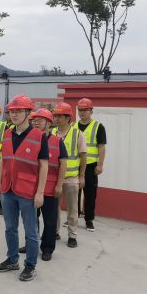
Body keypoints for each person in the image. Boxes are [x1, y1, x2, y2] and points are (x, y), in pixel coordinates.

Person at [0, 95, 48, 282]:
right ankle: (12, 259)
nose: (14, 114)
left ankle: (30, 265)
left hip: (28, 191)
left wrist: (40, 192)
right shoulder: (7, 134)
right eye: (12, 111)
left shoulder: (39, 136)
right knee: (10, 228)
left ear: (28, 113)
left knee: (31, 231)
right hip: (8, 189)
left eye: (18, 111)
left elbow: (44, 165)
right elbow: (3, 160)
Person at [31, 109, 66, 261]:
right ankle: (31, 243)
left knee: (50, 221)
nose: (36, 122)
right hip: (31, 188)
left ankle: (47, 248)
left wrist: (59, 185)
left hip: (50, 189)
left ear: (49, 123)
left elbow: (63, 164)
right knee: (31, 220)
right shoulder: (30, 140)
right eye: (34, 120)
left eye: (40, 120)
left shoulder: (57, 142)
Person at [52, 102, 87, 248]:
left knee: (72, 209)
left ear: (68, 118)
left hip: (71, 179)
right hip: (54, 179)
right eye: (55, 116)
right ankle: (54, 232)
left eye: (60, 116)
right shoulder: (51, 133)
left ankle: (72, 235)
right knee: (54, 208)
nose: (56, 119)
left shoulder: (77, 134)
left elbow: (83, 156)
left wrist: (82, 176)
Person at [77, 98, 106, 232]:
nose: (82, 112)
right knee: (74, 193)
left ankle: (89, 219)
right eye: (80, 110)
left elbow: (101, 147)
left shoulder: (98, 127)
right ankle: (74, 216)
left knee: (90, 194)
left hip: (91, 166)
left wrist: (100, 165)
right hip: (75, 165)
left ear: (91, 111)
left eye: (85, 110)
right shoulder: (73, 126)